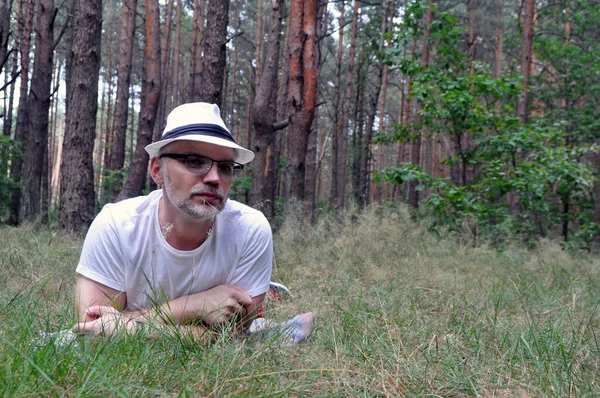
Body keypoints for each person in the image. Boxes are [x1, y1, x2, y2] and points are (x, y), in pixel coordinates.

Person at [72, 102, 313, 343]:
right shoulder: (116, 225)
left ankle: (266, 291)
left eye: (226, 167)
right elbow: (91, 333)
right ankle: (267, 291)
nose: (214, 178)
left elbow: (230, 337)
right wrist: (195, 306)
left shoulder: (249, 230)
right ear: (157, 170)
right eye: (194, 161)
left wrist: (125, 326)